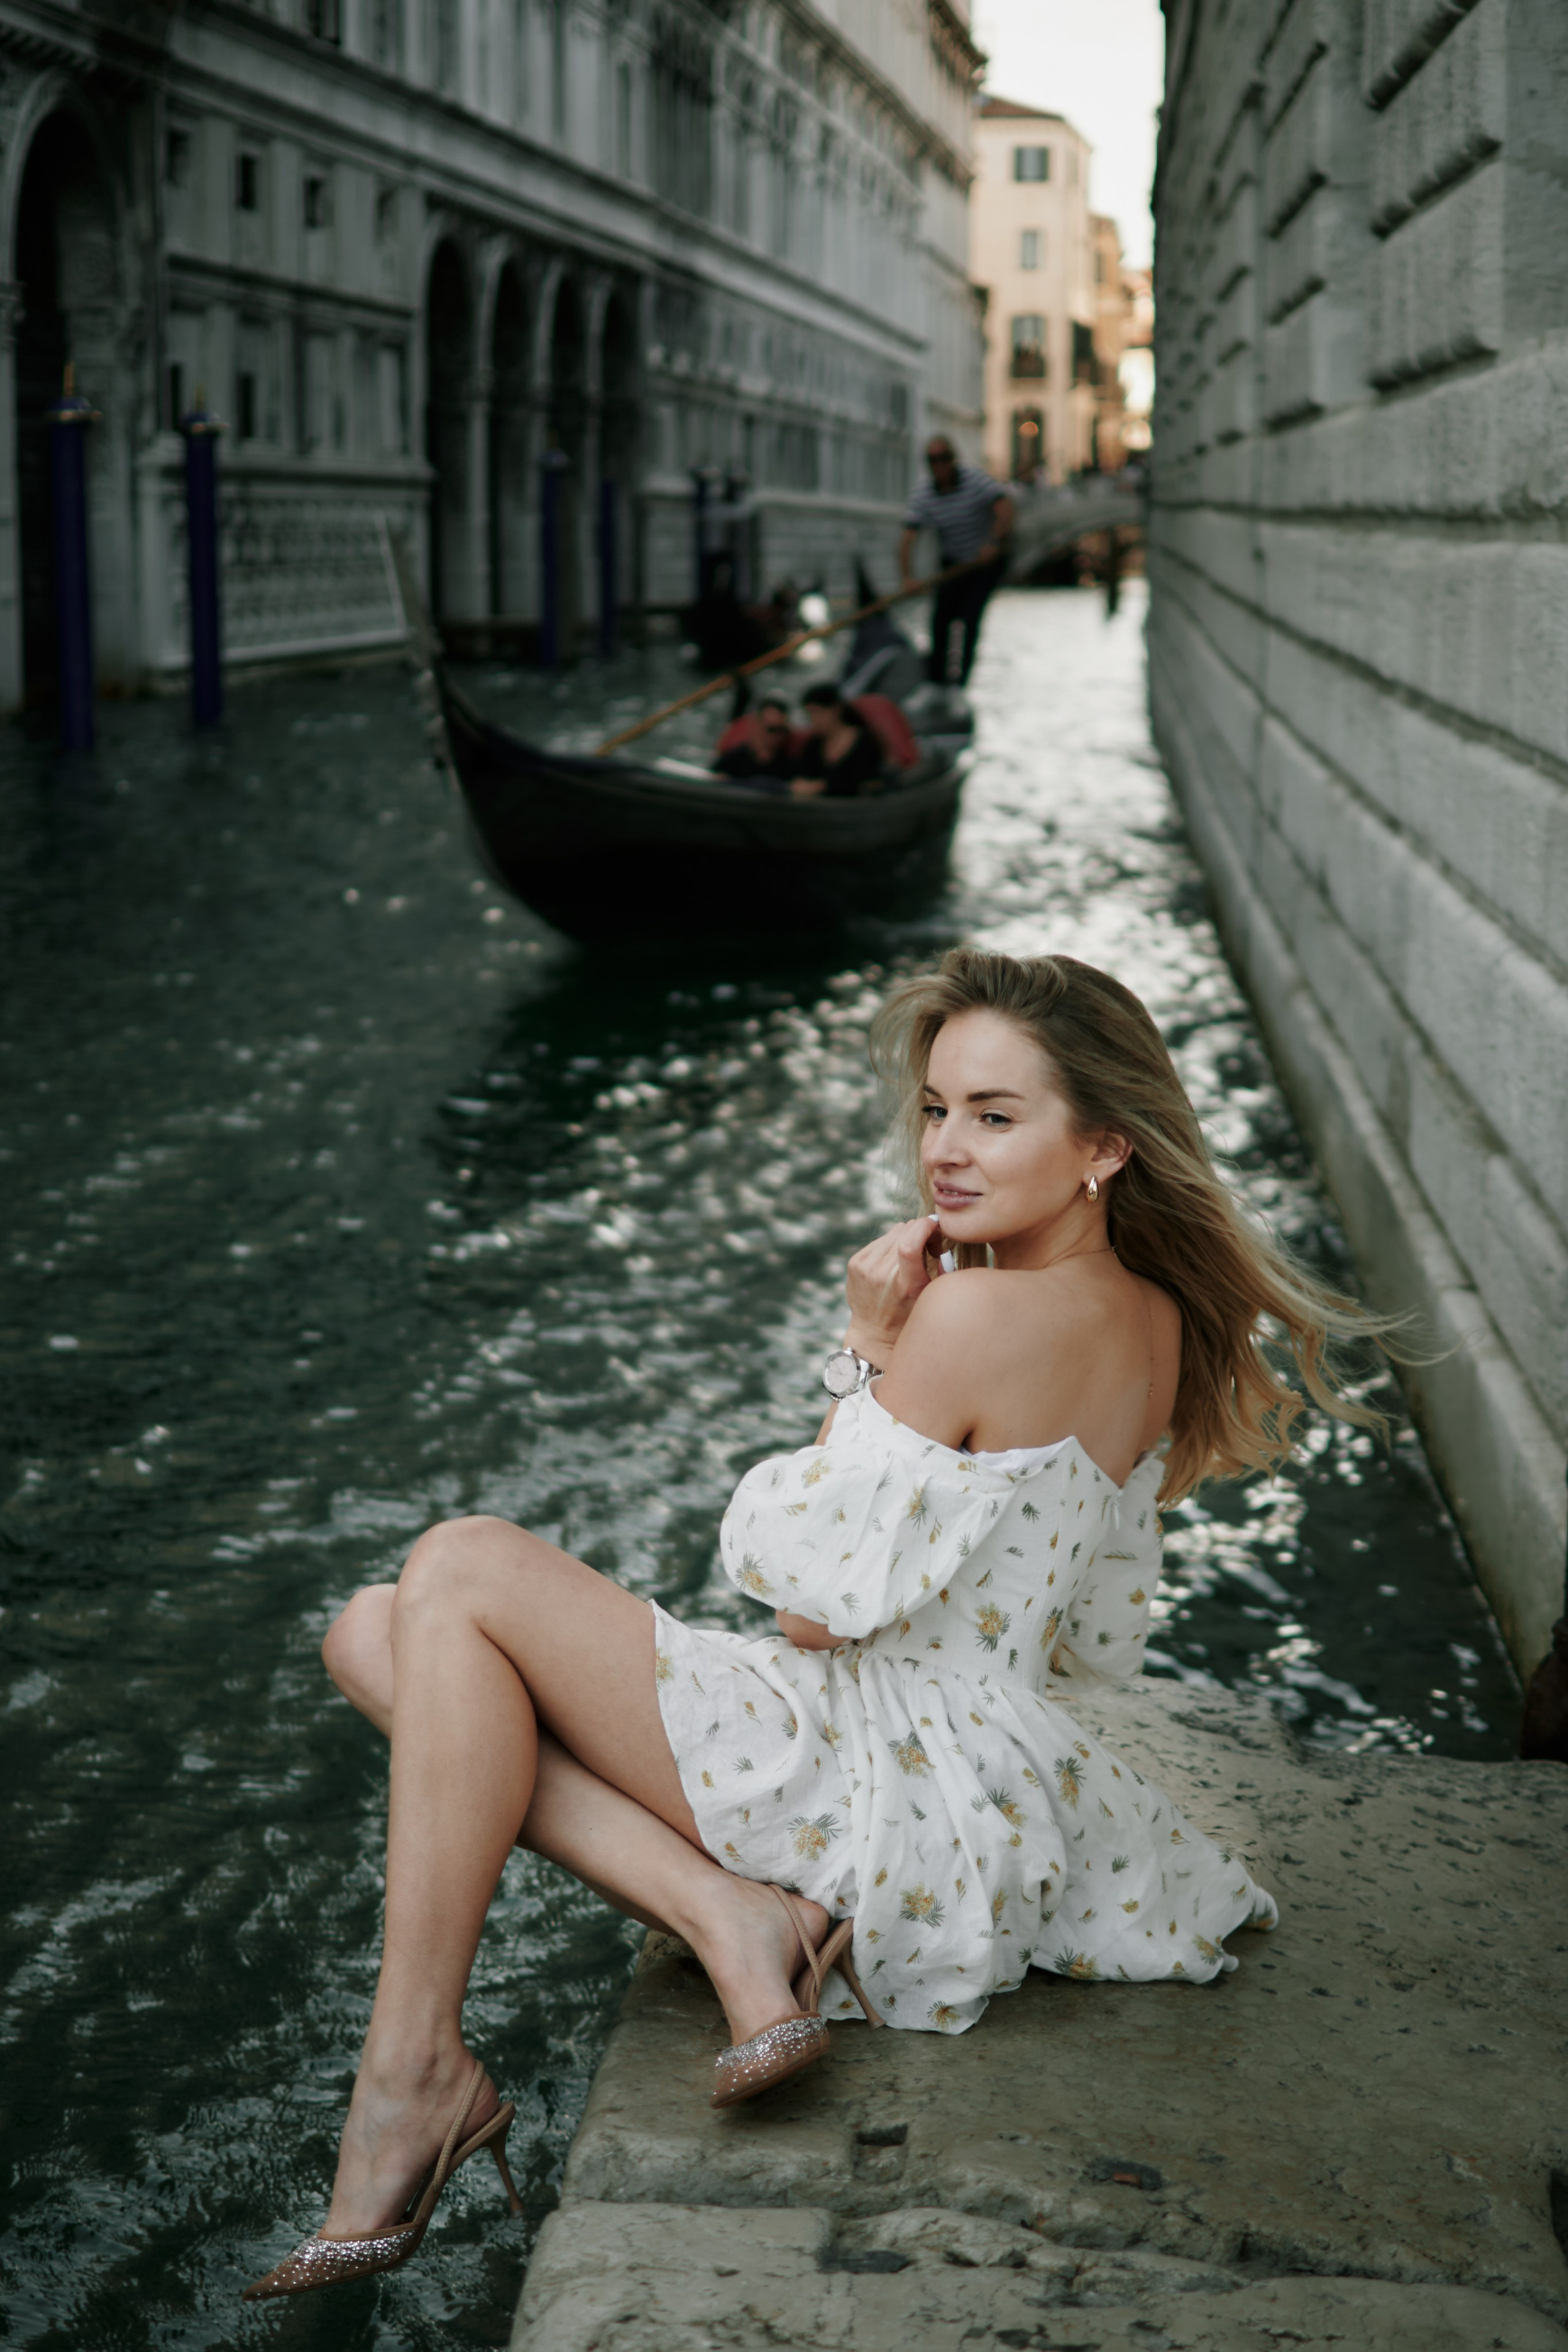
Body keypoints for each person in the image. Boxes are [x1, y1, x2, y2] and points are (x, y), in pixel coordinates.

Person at [242, 947, 1389, 2302]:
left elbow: (808, 1611)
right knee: (373, 1630)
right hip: (995, 1773)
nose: (944, 1149)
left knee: (458, 1563)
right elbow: (1084, 1629)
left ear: (1104, 1147)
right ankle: (728, 1914)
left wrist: (864, 1346)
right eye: (936, 1108)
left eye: (994, 1115)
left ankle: (412, 2071)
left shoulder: (973, 1310)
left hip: (879, 1770)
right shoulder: (1153, 1319)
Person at [899, 438, 1013, 686]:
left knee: (969, 618)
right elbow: (908, 538)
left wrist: (993, 543)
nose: (939, 465)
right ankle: (937, 682)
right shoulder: (924, 494)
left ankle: (961, 683)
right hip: (953, 564)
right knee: (940, 620)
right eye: (933, 460)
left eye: (944, 458)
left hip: (984, 564)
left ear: (953, 460)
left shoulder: (975, 481)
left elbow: (1005, 508)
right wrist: (908, 578)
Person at [787, 682, 885, 799]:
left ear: (835, 710)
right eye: (809, 714)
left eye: (817, 712)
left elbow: (867, 780)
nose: (814, 719)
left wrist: (823, 786)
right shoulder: (815, 744)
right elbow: (804, 773)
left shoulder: (864, 741)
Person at [712, 694, 796, 791]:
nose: (777, 736)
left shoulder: (789, 766)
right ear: (757, 726)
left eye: (781, 730)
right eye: (771, 729)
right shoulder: (733, 760)